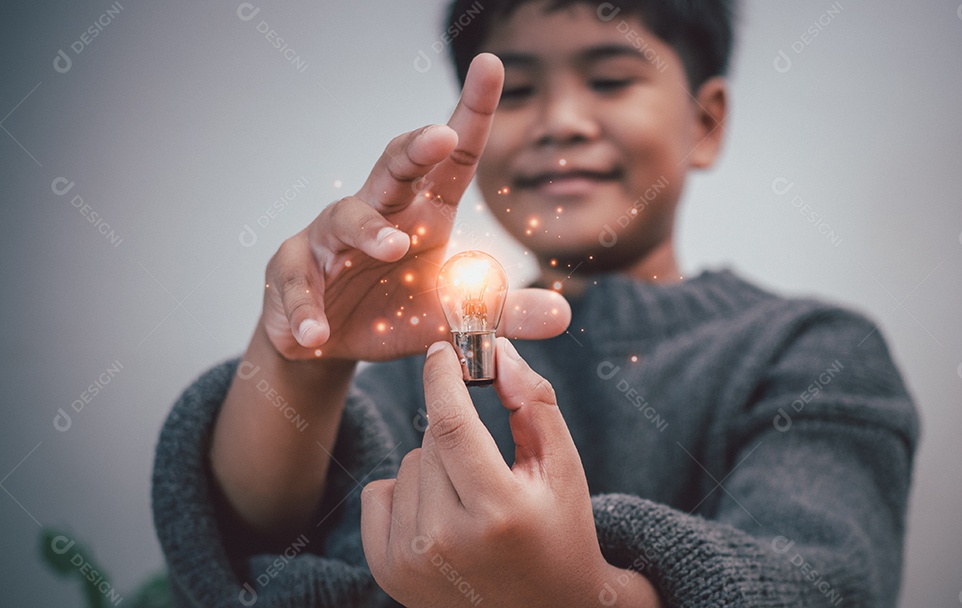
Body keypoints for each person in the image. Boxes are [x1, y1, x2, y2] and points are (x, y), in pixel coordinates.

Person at [152, 1, 920, 606]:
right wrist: (304, 360)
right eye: (515, 92)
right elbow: (263, 560)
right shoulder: (412, 365)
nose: (560, 122)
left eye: (611, 79)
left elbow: (824, 584)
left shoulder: (813, 351)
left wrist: (580, 591)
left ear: (706, 122)